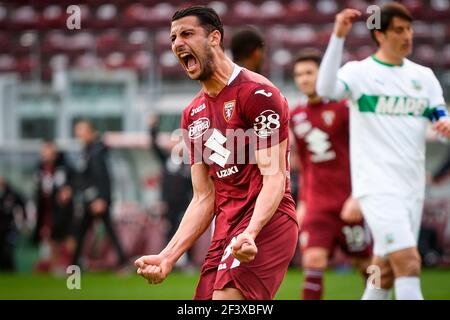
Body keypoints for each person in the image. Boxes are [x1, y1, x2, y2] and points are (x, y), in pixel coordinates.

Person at [135, 6, 298, 300]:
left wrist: (251, 231)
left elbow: (274, 177)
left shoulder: (258, 94)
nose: (177, 44)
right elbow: (203, 196)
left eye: (187, 34)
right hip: (225, 230)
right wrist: (168, 256)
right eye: (173, 38)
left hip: (267, 223)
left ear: (214, 38)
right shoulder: (192, 115)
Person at [316, 3, 450, 300]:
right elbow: (325, 89)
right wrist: (338, 36)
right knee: (409, 262)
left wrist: (444, 125)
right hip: (377, 189)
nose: (407, 36)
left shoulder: (424, 77)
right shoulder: (360, 73)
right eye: (399, 30)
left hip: (412, 188)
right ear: (379, 34)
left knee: (384, 271)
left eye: (409, 29)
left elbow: (439, 115)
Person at [290, 50, 372, 300]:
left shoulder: (346, 109)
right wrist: (303, 202)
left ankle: (382, 294)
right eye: (298, 75)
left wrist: (359, 196)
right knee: (313, 261)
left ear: (323, 74)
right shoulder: (296, 116)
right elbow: (305, 164)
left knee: (369, 264)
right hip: (317, 205)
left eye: (309, 73)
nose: (303, 79)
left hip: (350, 202)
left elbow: (366, 153)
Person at [72, 120, 127, 269]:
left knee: (104, 231)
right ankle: (75, 265)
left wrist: (102, 199)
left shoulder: (96, 152)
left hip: (97, 200)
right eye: (77, 130)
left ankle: (123, 262)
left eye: (82, 130)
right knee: (82, 232)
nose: (78, 134)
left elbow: (103, 177)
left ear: (91, 132)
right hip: (90, 200)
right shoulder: (87, 151)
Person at [147, 115, 193, 267]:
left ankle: (189, 262)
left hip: (185, 204)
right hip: (169, 204)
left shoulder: (190, 163)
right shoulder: (167, 160)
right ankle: (169, 261)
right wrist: (152, 129)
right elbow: (154, 146)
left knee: (188, 231)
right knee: (169, 231)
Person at [33, 141, 75, 273]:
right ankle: (55, 268)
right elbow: (39, 190)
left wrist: (68, 189)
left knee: (69, 238)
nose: (47, 155)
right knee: (52, 239)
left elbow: (75, 181)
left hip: (65, 211)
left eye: (49, 151)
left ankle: (73, 268)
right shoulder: (40, 169)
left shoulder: (65, 167)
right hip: (48, 209)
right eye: (44, 151)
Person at [0, 176, 26, 272]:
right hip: (2, 229)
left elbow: (22, 208)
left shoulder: (12, 195)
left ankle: (11, 270)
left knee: (8, 251)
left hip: (11, 228)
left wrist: (23, 222)